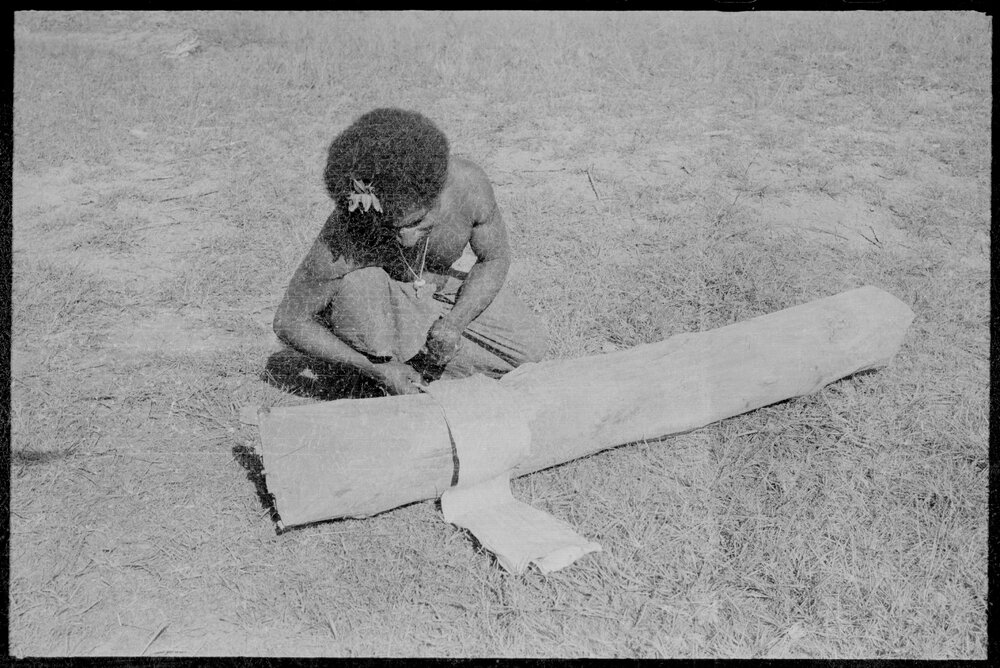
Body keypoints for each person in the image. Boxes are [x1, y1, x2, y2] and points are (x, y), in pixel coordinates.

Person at [273, 108, 548, 396]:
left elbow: (494, 258)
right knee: (363, 293)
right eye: (392, 228)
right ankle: (379, 369)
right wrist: (374, 368)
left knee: (528, 347)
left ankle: (415, 370)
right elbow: (289, 321)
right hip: (374, 308)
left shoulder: (469, 185)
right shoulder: (346, 230)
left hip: (432, 293)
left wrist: (454, 324)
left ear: (440, 191)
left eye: (417, 223)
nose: (406, 240)